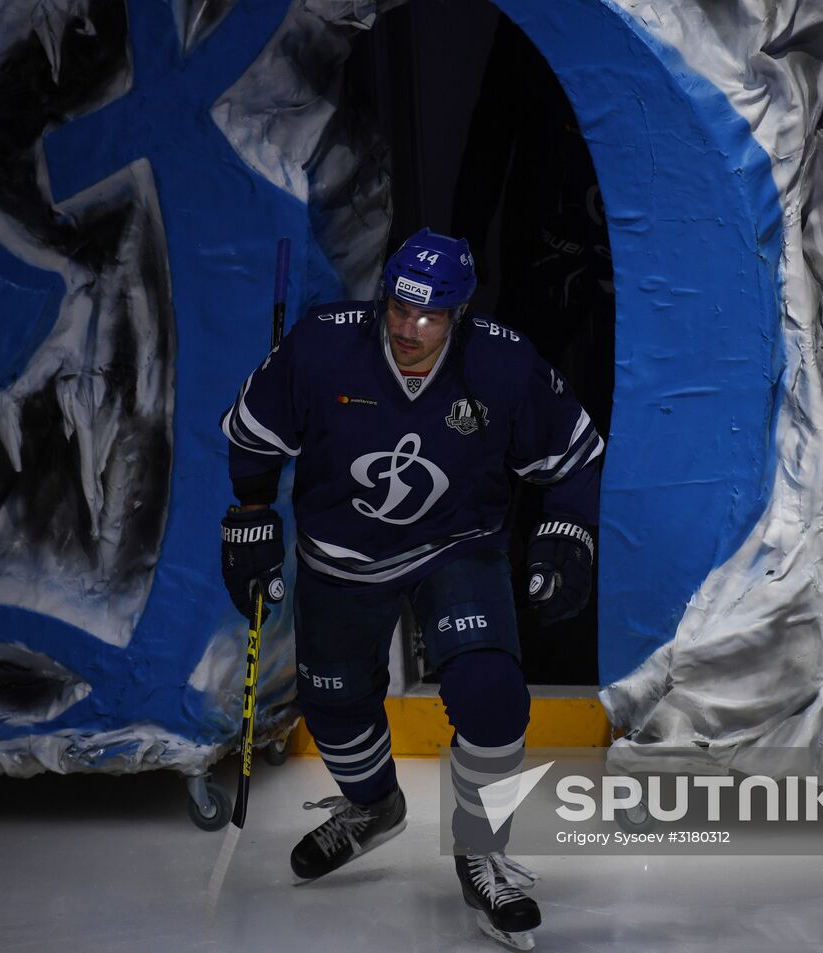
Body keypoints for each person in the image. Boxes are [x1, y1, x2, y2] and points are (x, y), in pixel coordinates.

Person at [218, 228, 603, 950]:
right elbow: (253, 435)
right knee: (332, 705)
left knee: (492, 691)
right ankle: (372, 807)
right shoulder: (324, 344)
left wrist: (568, 532)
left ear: (458, 314)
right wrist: (249, 515)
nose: (407, 328)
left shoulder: (503, 361)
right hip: (339, 552)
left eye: (428, 316)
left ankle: (479, 848)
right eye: (398, 307)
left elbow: (575, 456)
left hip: (457, 545)